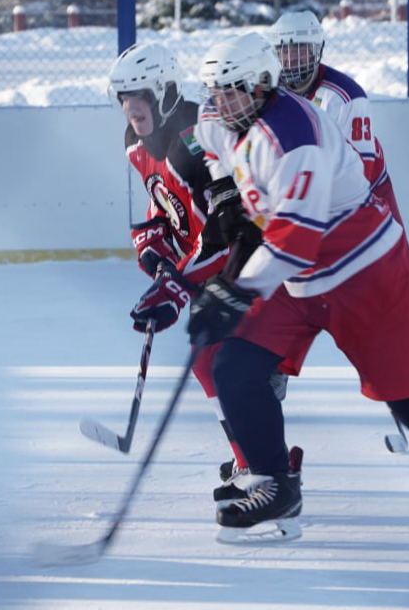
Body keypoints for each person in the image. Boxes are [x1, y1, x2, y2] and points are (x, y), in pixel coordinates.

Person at [190, 32, 409, 542]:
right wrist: (227, 200)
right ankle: (274, 482)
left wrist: (237, 291)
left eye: (231, 91)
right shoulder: (224, 112)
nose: (219, 102)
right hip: (299, 280)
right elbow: (205, 138)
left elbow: (295, 242)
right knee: (233, 362)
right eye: (214, 90)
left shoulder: (293, 138)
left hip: (365, 273)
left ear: (262, 86)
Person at [108, 42, 284, 483]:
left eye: (140, 94)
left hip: (246, 256)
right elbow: (164, 203)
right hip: (206, 263)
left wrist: (177, 283)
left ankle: (265, 467)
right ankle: (254, 458)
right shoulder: (135, 141)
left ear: (164, 92)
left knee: (215, 361)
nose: (131, 106)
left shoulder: (196, 140)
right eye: (123, 96)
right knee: (212, 363)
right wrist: (154, 246)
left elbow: (228, 229)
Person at [266, 10, 401, 222]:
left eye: (300, 48)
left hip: (365, 204)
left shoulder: (347, 98)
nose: (292, 58)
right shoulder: (269, 94)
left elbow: (359, 176)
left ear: (315, 50)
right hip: (303, 201)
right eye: (285, 49)